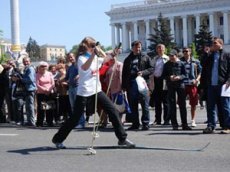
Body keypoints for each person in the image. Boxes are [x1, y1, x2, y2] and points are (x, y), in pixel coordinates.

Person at [52, 36, 135, 149]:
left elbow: (106, 59)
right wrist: (93, 55)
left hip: (97, 90)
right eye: (92, 45)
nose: (94, 47)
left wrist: (113, 53)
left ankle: (122, 139)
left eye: (95, 45)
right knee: (75, 118)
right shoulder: (81, 58)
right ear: (86, 46)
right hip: (84, 92)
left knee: (113, 111)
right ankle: (58, 139)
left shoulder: (96, 58)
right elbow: (85, 67)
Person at [200, 37, 230, 134]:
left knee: (225, 106)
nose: (212, 45)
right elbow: (203, 64)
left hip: (223, 84)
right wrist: (206, 53)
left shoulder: (226, 54)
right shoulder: (210, 55)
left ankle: (227, 126)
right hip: (211, 85)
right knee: (210, 106)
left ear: (220, 44)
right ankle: (211, 126)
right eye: (212, 44)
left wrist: (228, 80)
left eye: (214, 43)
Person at [122, 40, 153, 130]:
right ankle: (135, 124)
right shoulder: (127, 59)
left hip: (143, 84)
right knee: (133, 105)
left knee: (145, 105)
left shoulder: (146, 57)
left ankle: (145, 124)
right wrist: (124, 86)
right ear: (132, 48)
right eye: (136, 47)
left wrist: (143, 72)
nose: (138, 49)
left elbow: (151, 69)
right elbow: (124, 74)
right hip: (131, 84)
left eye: (139, 47)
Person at [162, 49, 192, 130]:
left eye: (172, 56)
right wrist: (169, 77)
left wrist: (179, 77)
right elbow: (163, 75)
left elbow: (185, 74)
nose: (171, 57)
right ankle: (174, 124)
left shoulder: (181, 63)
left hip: (180, 85)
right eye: (170, 56)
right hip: (171, 86)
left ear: (176, 56)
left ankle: (184, 124)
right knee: (172, 105)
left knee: (182, 105)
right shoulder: (166, 64)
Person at [12, 56, 37, 126]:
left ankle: (31, 122)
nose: (26, 63)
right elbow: (26, 77)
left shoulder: (30, 69)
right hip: (28, 89)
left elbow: (30, 80)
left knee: (30, 106)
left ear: (30, 62)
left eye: (27, 61)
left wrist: (20, 79)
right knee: (28, 106)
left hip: (30, 89)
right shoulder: (27, 69)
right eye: (24, 62)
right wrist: (20, 75)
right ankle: (29, 121)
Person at [180, 47, 202, 127]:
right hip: (183, 84)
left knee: (193, 103)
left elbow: (200, 72)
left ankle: (193, 120)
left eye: (186, 51)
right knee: (182, 103)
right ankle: (184, 121)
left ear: (190, 52)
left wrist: (197, 80)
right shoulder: (180, 61)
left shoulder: (195, 61)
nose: (185, 53)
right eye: (184, 51)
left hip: (192, 84)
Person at [150, 44, 169, 125]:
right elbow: (151, 69)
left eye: (162, 48)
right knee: (157, 102)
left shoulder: (167, 58)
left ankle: (166, 120)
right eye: (159, 48)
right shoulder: (154, 59)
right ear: (156, 50)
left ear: (164, 50)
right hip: (156, 81)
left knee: (165, 102)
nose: (160, 49)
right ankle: (158, 120)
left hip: (164, 81)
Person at [65, 53, 85, 128]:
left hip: (78, 88)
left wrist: (78, 75)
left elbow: (84, 72)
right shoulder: (70, 68)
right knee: (73, 106)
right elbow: (66, 77)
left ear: (75, 57)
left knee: (79, 106)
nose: (71, 58)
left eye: (72, 57)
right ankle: (76, 122)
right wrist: (65, 80)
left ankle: (81, 122)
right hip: (71, 88)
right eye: (69, 58)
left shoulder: (79, 65)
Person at [36, 61, 55, 127]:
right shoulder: (37, 74)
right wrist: (45, 90)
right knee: (42, 108)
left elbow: (53, 83)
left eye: (45, 66)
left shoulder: (49, 73)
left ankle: (49, 122)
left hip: (49, 92)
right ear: (39, 67)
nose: (43, 67)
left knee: (49, 108)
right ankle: (40, 123)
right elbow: (37, 84)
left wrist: (49, 90)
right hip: (41, 93)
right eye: (42, 66)